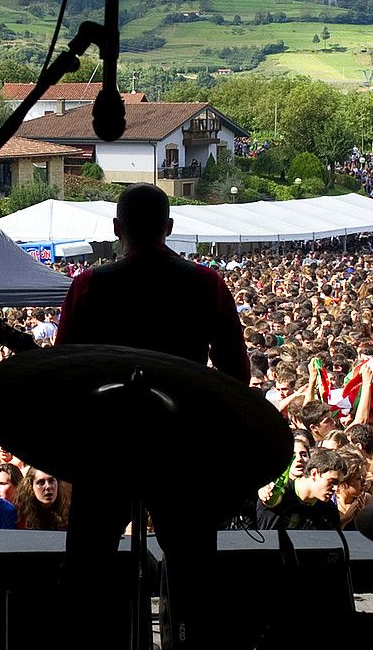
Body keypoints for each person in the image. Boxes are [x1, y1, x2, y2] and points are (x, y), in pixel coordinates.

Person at [54, 183, 254, 650]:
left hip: (109, 445)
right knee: (194, 571)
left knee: (85, 565)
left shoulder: (89, 285)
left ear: (117, 230)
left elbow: (63, 368)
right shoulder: (206, 284)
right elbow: (235, 373)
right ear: (169, 228)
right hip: (181, 446)